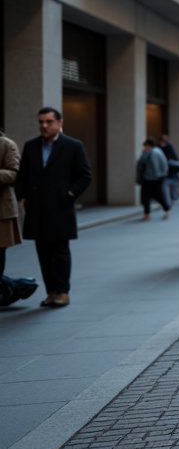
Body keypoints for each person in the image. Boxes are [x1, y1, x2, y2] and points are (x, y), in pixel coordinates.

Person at [13, 107, 93, 308]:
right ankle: (50, 292)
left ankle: (63, 291)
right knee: (43, 251)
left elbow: (85, 175)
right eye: (41, 122)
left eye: (49, 122)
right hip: (37, 208)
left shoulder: (73, 146)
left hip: (60, 207)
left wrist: (69, 194)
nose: (44, 126)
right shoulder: (31, 146)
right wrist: (22, 197)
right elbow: (22, 176)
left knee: (60, 250)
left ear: (60, 123)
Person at [0, 127, 39, 308]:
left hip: (1, 212)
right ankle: (17, 286)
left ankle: (14, 288)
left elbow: (14, 173)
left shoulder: (7, 145)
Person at [135, 139, 171, 221]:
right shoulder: (145, 153)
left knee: (158, 195)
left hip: (156, 178)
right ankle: (147, 213)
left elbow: (163, 163)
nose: (145, 147)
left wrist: (162, 173)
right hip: (146, 178)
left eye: (146, 146)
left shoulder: (156, 152)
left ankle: (167, 209)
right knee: (145, 196)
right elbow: (140, 165)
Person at [159, 134, 179, 207]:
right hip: (172, 174)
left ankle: (169, 203)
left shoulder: (165, 149)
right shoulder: (168, 149)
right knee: (172, 190)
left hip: (170, 174)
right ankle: (170, 202)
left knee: (168, 190)